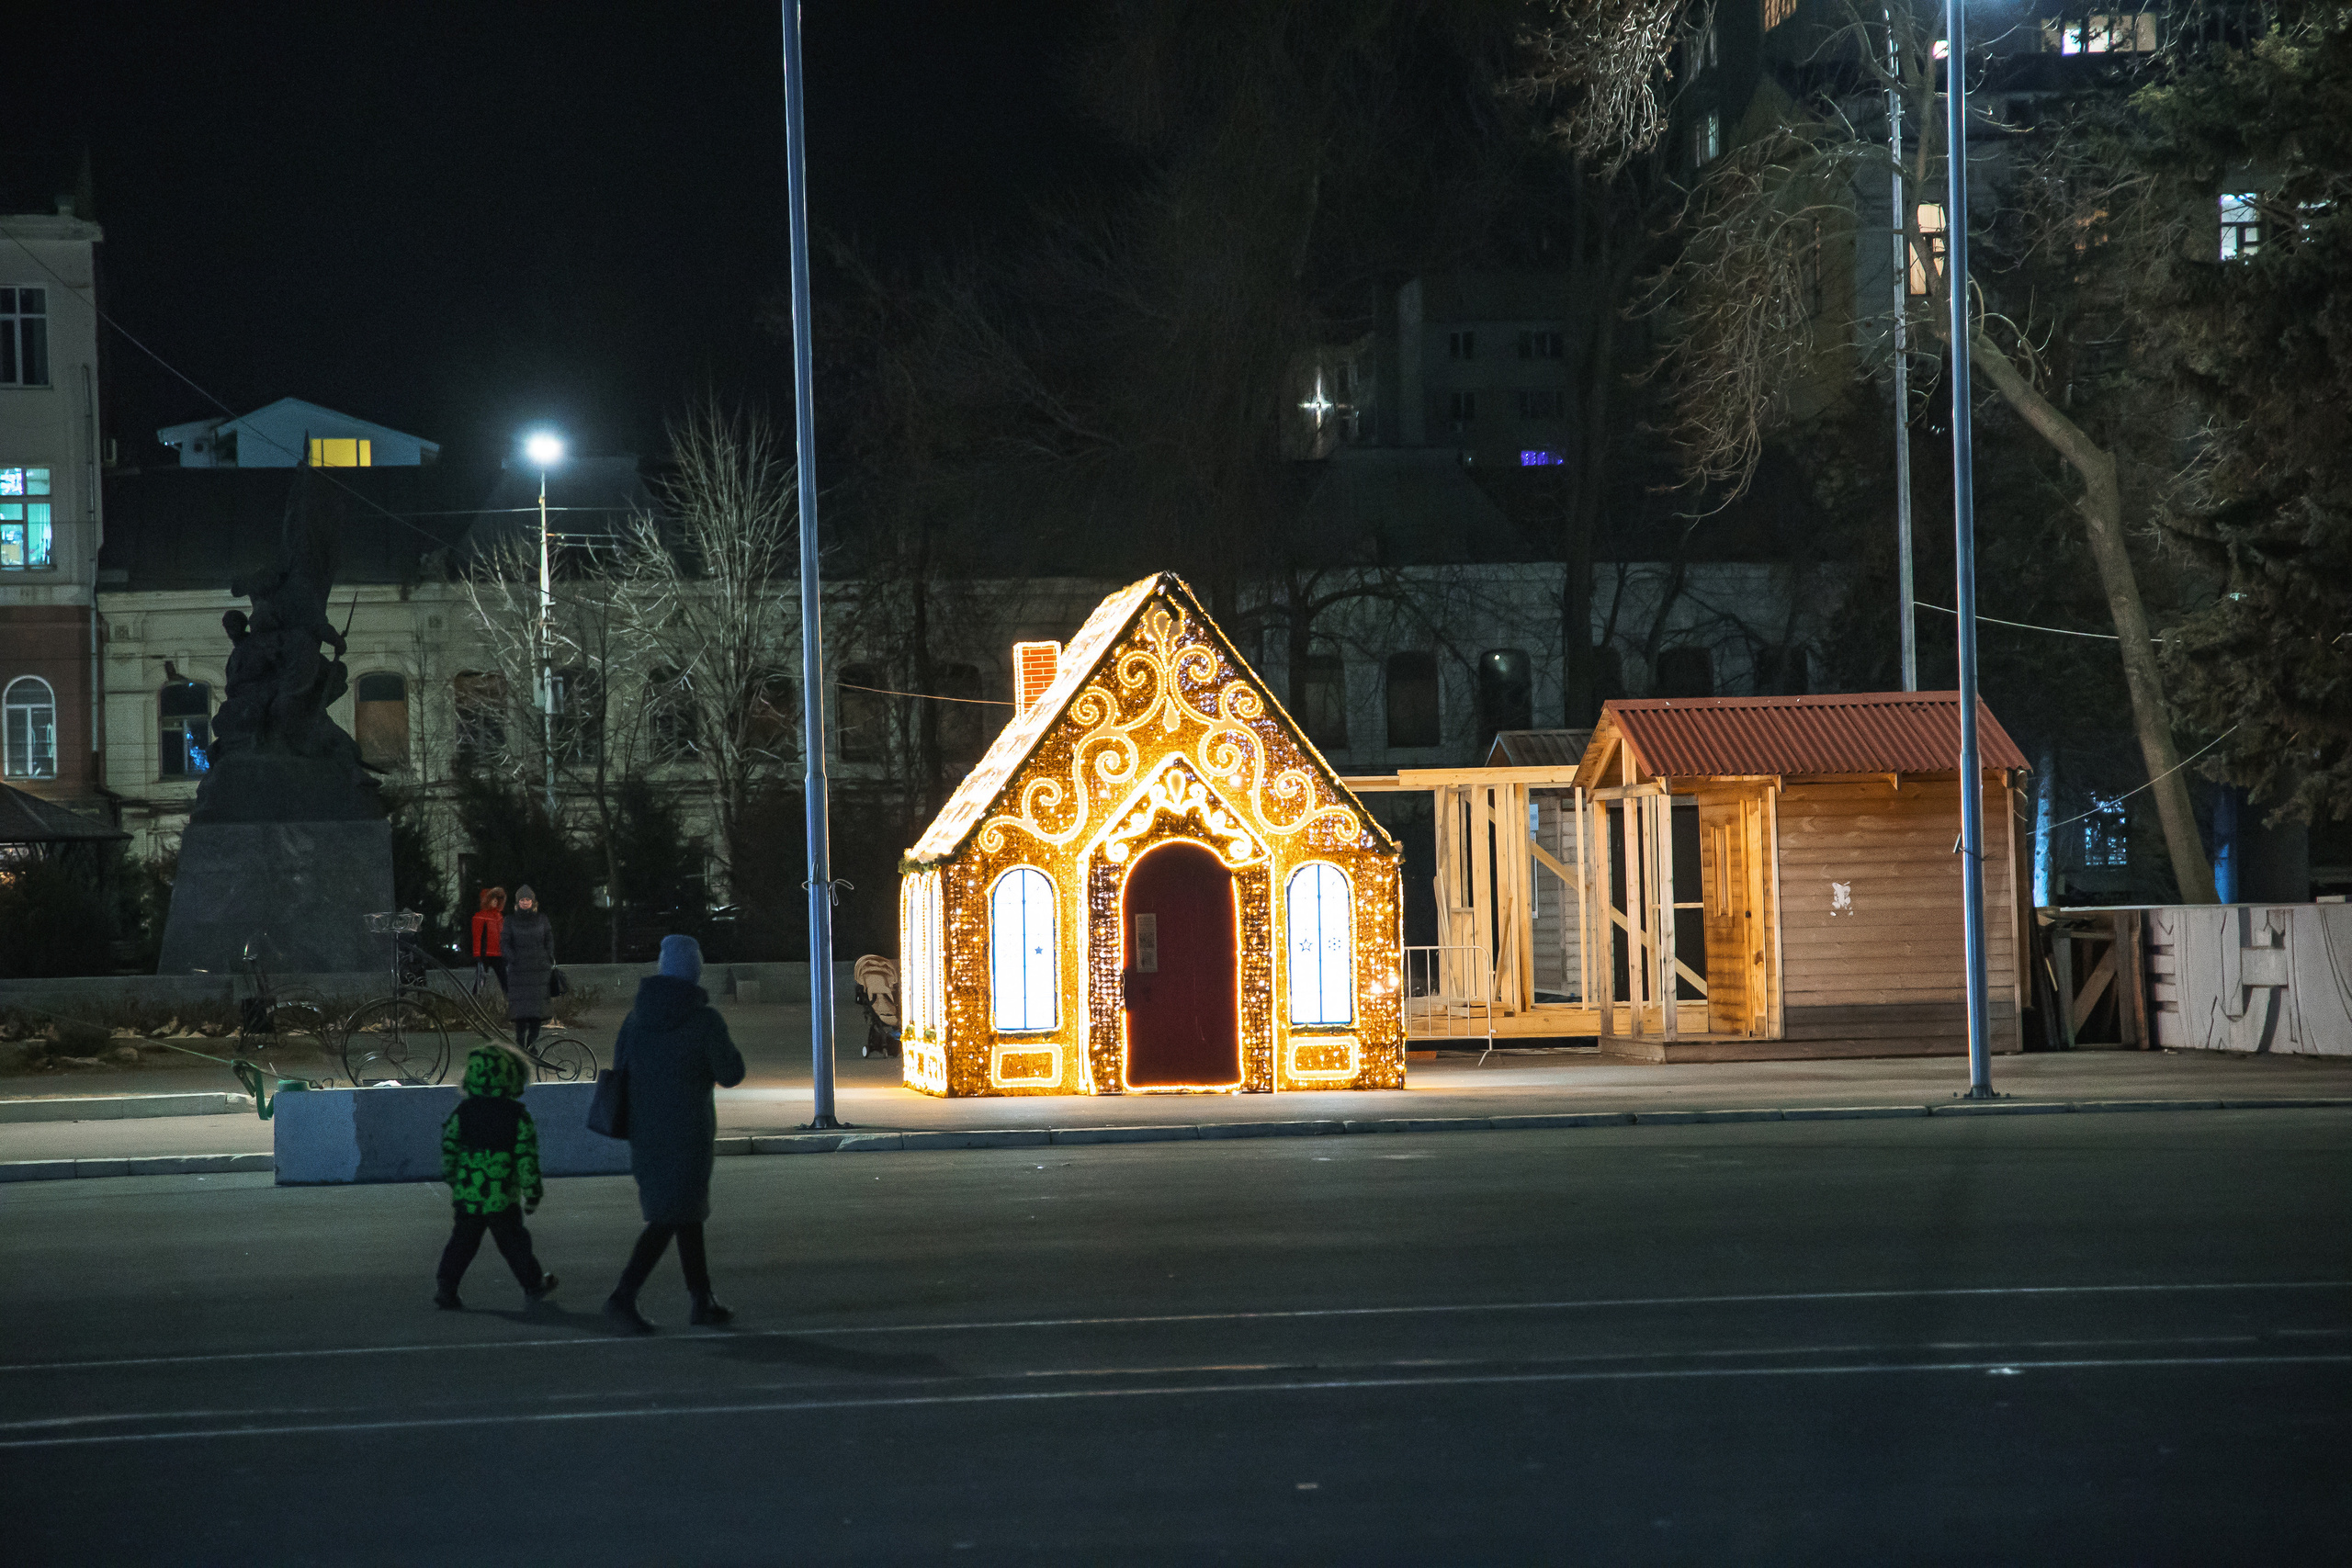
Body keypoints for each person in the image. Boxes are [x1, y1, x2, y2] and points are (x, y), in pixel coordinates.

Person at [605, 934, 745, 1333]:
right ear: (695, 971)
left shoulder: (635, 1019)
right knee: (672, 1215)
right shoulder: (704, 1020)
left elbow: (621, 1067)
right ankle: (622, 1296)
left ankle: (702, 1298)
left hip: (644, 1131)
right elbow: (731, 1074)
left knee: (686, 1213)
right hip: (688, 1133)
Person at [435, 1043, 558, 1310]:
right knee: (514, 1243)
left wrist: (454, 1180)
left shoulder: (463, 1112)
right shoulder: (517, 1116)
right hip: (502, 1196)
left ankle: (447, 1286)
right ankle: (533, 1284)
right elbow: (526, 1158)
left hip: (468, 1194)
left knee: (462, 1241)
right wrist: (533, 1192)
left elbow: (450, 1148)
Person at [501, 884, 556, 1054]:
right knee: (520, 1013)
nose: (525, 902)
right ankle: (520, 1044)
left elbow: (549, 939)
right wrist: (512, 958)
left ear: (533, 902)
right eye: (522, 900)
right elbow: (505, 942)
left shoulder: (542, 919)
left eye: (528, 899)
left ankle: (532, 1044)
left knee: (536, 1013)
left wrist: (548, 957)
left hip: (539, 971)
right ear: (518, 902)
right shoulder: (510, 920)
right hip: (519, 972)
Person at [470, 886, 508, 993]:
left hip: (498, 954)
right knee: (480, 980)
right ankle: (476, 1000)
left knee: (504, 979)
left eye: (497, 899)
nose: (495, 901)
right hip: (485, 954)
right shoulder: (480, 917)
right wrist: (477, 954)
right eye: (493, 899)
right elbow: (477, 937)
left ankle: (510, 1001)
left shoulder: (499, 916)